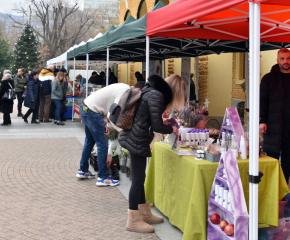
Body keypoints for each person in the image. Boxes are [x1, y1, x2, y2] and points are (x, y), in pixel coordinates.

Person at [119, 74, 184, 233]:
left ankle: (145, 213)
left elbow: (147, 118)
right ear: (175, 90)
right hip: (138, 139)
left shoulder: (152, 91)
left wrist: (163, 123)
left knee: (139, 179)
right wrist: (171, 129)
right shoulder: (157, 95)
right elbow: (156, 126)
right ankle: (133, 221)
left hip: (135, 136)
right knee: (138, 180)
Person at [75, 82, 145, 186]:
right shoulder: (125, 92)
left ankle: (83, 170)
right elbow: (112, 114)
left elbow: (107, 107)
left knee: (90, 141)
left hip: (86, 108)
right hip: (92, 111)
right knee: (103, 144)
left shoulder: (122, 86)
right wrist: (121, 130)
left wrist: (105, 124)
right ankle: (103, 177)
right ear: (138, 91)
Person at [260, 47, 290, 184]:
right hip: (273, 125)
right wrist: (262, 120)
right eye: (282, 58)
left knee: (288, 159)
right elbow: (263, 101)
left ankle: (283, 189)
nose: (286, 61)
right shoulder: (269, 78)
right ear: (277, 60)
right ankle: (271, 186)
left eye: (288, 58)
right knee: (272, 157)